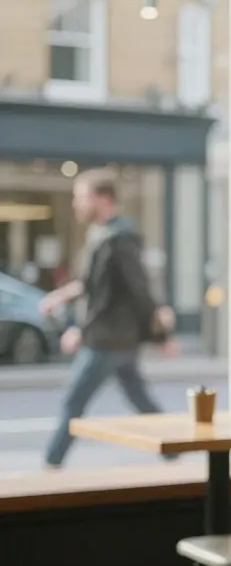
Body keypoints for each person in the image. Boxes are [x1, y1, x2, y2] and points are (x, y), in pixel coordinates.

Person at [39, 168, 177, 470]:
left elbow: (135, 290)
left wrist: (161, 335)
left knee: (73, 402)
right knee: (140, 399)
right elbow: (90, 284)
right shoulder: (101, 235)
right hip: (115, 339)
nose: (77, 205)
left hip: (107, 338)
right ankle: (173, 451)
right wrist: (59, 297)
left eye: (81, 198)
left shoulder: (118, 239)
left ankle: (51, 464)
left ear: (103, 199)